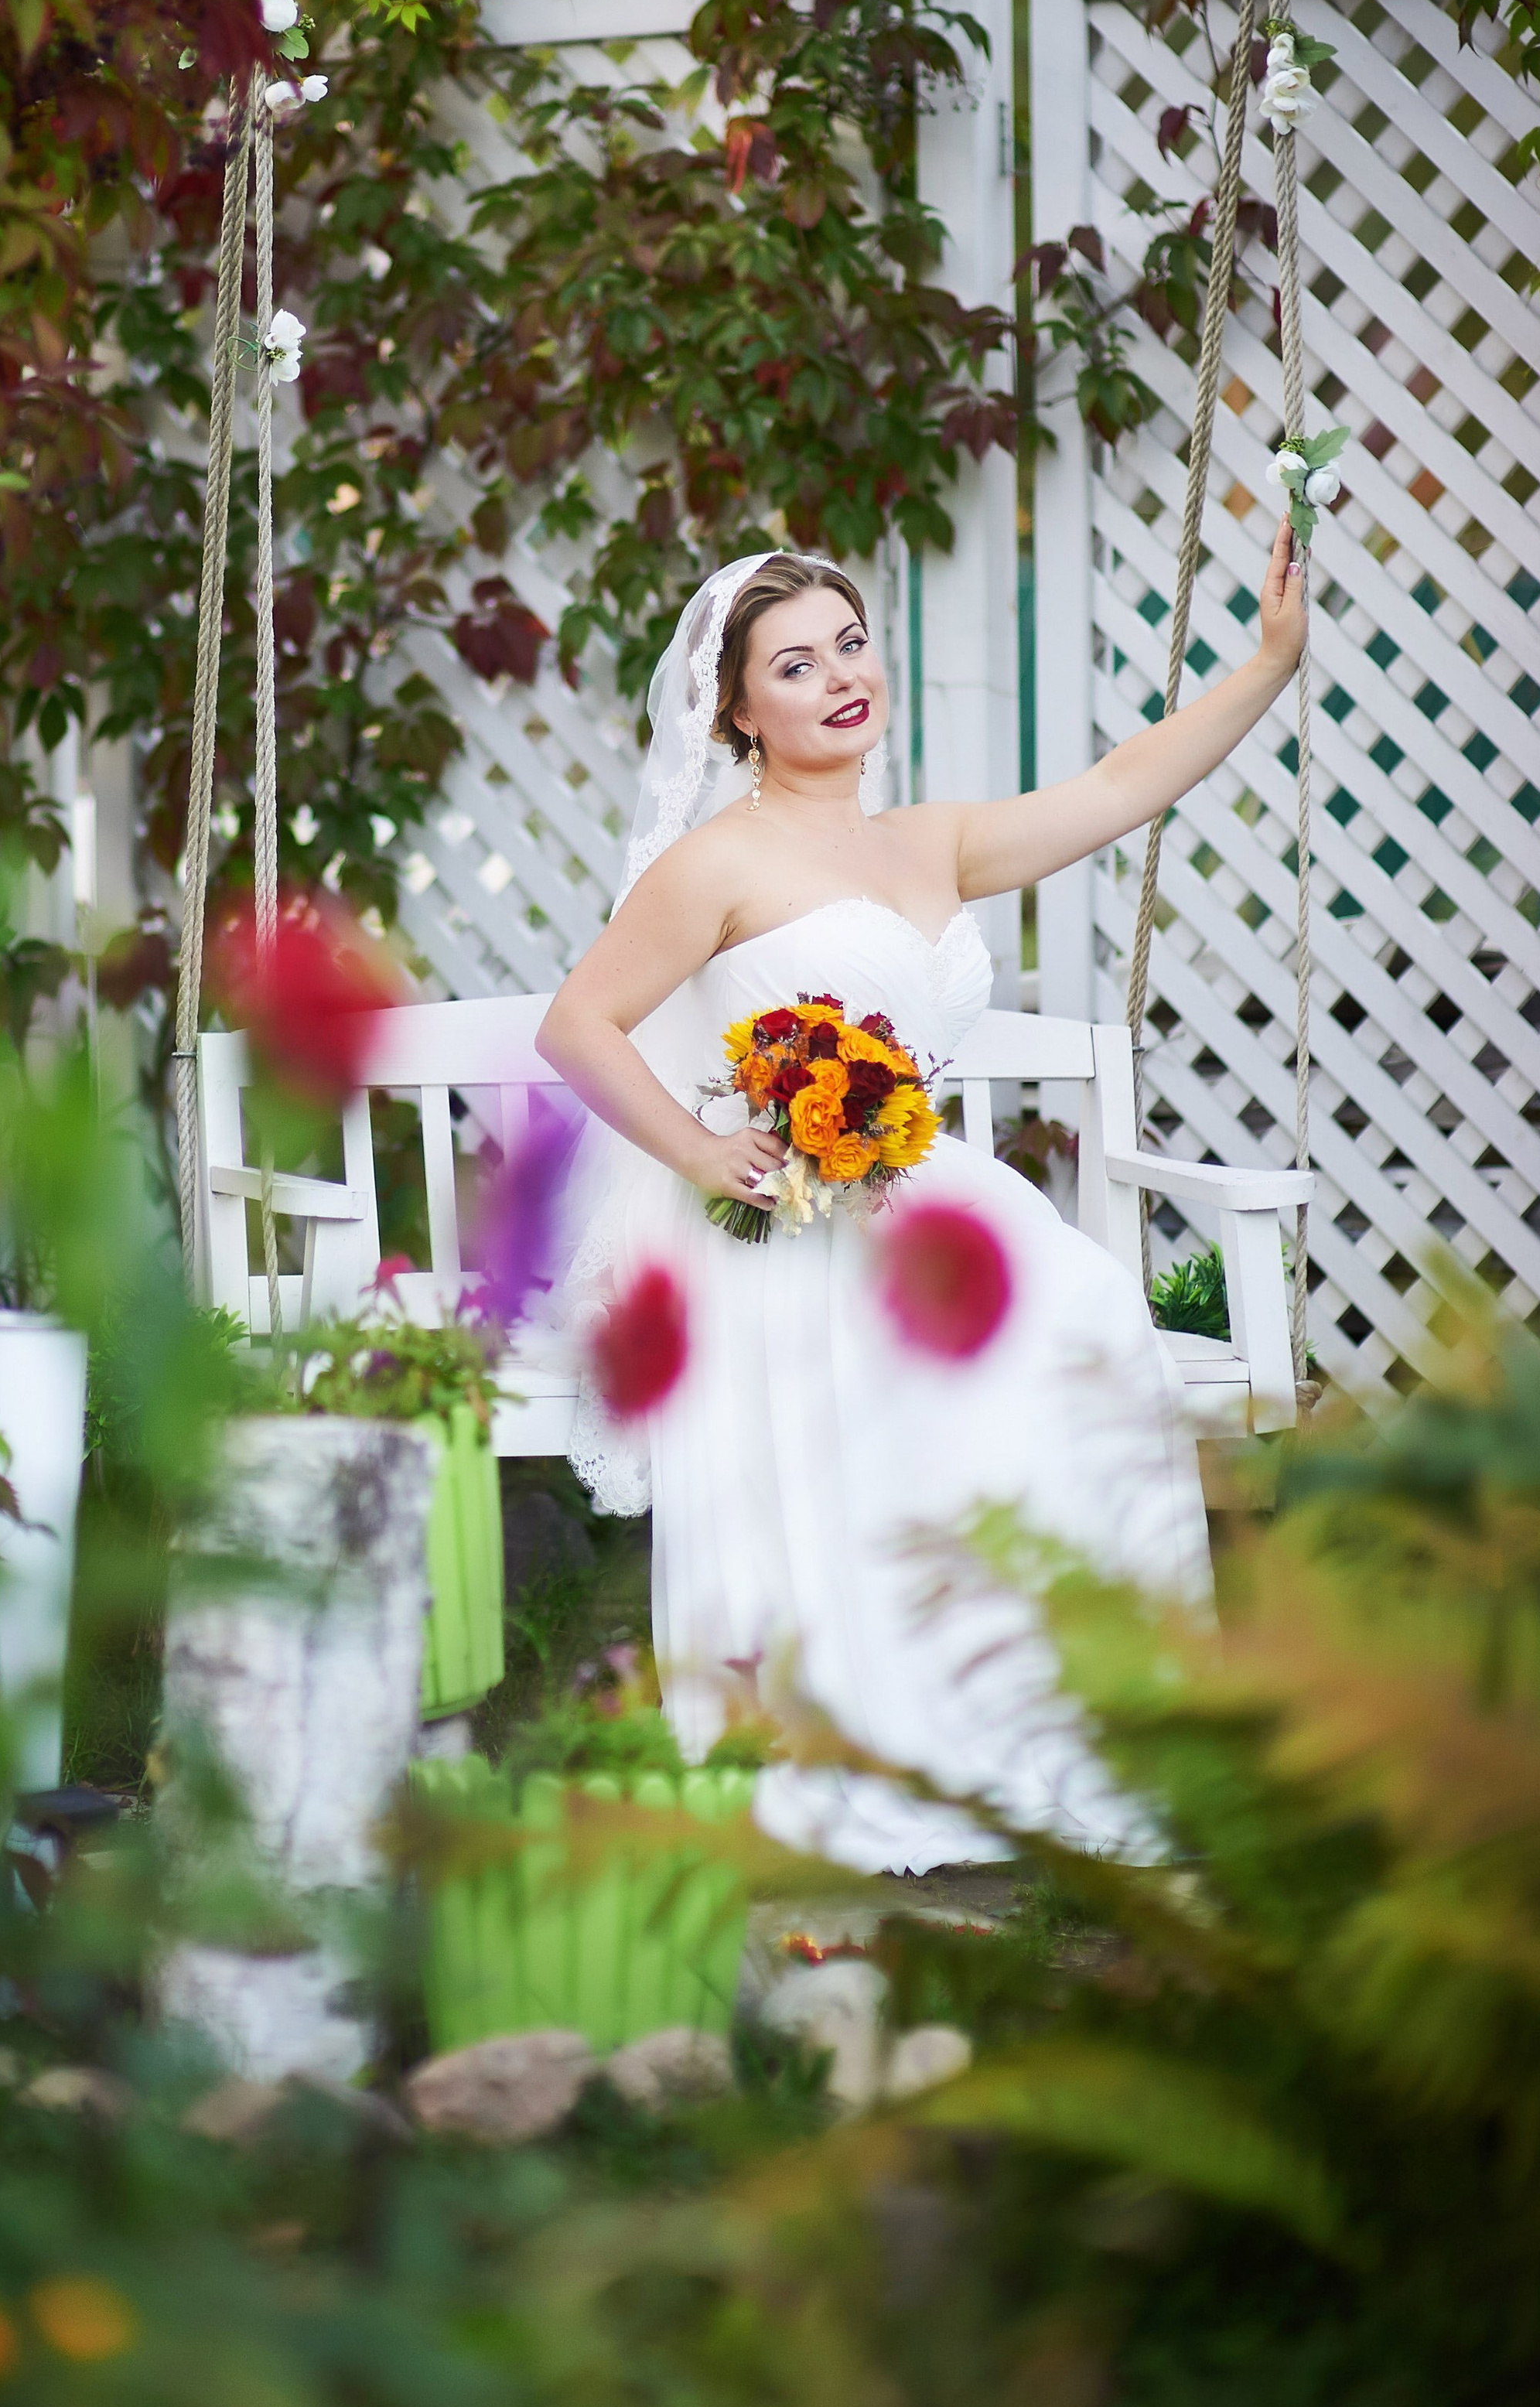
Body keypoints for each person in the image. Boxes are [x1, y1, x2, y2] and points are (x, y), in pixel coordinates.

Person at [535, 534, 1307, 1872]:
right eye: (796, 662)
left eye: (849, 643)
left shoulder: (931, 842)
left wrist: (1268, 666)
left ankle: (1075, 1726)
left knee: (1094, 1320)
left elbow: (1124, 786)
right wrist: (707, 1154)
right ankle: (896, 1741)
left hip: (938, 1194)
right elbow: (579, 1025)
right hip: (802, 1231)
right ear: (736, 709)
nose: (841, 676)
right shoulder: (716, 863)